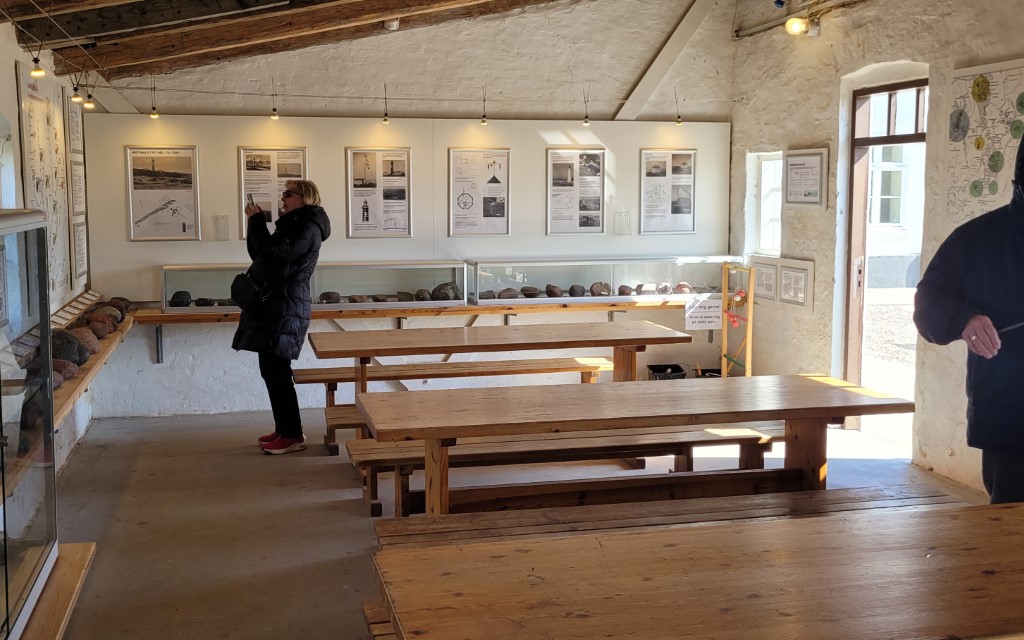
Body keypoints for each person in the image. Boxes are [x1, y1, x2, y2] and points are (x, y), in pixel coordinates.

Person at [914, 136, 1024, 503]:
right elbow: (927, 304)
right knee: (1010, 531)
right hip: (1013, 425)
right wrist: (964, 320)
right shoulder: (978, 240)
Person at [233, 180, 331, 454]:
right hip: (279, 305)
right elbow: (260, 255)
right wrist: (254, 223)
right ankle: (285, 428)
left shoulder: (306, 226)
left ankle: (292, 435)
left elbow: (274, 254)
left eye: (288, 194)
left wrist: (258, 222)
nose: (283, 199)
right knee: (271, 369)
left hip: (286, 306)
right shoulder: (293, 224)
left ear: (305, 197)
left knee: (277, 372)